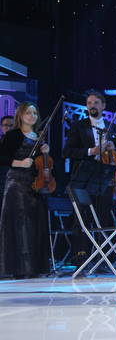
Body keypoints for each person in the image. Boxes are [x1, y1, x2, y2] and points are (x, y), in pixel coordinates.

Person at [63, 89, 116, 268]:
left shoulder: (111, 126)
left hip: (104, 177)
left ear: (103, 106)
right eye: (89, 103)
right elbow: (67, 151)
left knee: (104, 217)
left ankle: (104, 259)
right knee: (82, 217)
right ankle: (81, 257)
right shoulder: (79, 126)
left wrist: (113, 148)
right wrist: (91, 151)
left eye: (96, 103)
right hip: (84, 175)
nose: (92, 106)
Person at [0, 103, 50, 278]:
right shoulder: (13, 135)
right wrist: (19, 163)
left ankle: (35, 268)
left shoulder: (39, 137)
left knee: (35, 225)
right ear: (20, 115)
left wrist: (45, 153)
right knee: (21, 225)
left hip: (35, 185)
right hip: (17, 184)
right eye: (28, 113)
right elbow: (2, 157)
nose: (32, 116)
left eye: (34, 113)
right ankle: (21, 269)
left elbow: (42, 165)